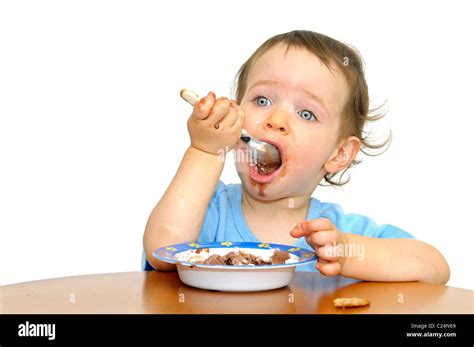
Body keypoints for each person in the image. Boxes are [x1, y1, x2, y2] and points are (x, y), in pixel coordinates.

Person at [143, 30, 450, 284]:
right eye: (262, 99)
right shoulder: (204, 213)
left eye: (306, 113)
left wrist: (347, 253)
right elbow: (161, 252)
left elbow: (435, 268)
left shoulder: (338, 232)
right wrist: (205, 151)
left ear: (339, 154)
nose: (276, 119)